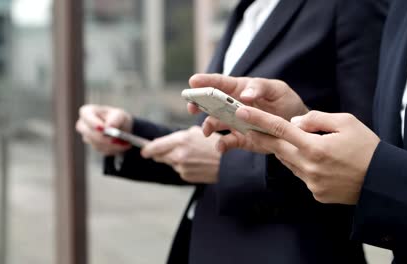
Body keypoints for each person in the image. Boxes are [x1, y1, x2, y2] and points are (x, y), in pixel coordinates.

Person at [76, 0, 389, 263]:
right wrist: (126, 133)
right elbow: (215, 141)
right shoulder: (245, 10)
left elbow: (369, 156)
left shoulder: (352, 6)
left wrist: (225, 167)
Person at [196, 0, 407, 262]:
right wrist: (301, 123)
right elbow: (389, 146)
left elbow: (373, 154)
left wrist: (375, 177)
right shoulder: (405, 7)